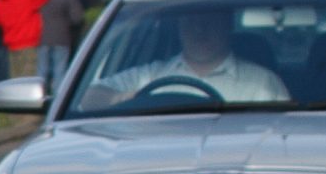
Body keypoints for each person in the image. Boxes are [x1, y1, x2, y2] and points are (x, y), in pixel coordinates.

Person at [85, 10, 290, 108]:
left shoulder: (263, 84)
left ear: (227, 26)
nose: (200, 30)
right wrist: (127, 99)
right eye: (191, 21)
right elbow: (88, 100)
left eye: (209, 21)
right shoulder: (150, 76)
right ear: (179, 29)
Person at [35, 0, 84, 92]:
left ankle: (39, 95)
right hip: (62, 36)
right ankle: (57, 97)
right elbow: (77, 18)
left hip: (41, 35)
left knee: (42, 69)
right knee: (60, 69)